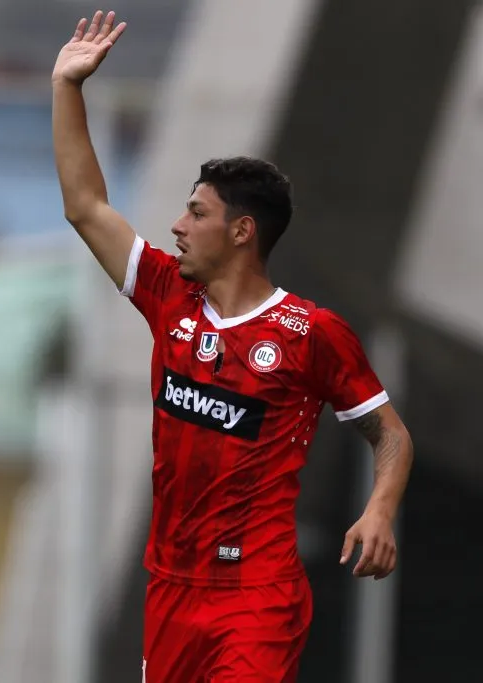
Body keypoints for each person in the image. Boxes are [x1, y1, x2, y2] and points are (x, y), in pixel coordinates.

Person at [51, 11, 414, 683]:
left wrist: (380, 508)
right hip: (170, 587)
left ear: (242, 231)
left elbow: (389, 433)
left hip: (256, 594)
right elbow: (84, 206)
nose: (177, 225)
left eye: (196, 212)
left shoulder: (310, 334)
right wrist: (67, 87)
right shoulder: (166, 294)